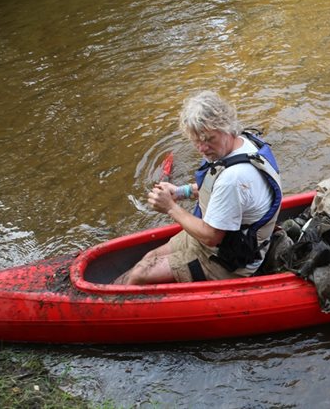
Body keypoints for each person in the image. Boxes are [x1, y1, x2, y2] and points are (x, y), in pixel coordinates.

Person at [114, 91, 282, 285]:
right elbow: (215, 189)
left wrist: (170, 207)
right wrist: (180, 192)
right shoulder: (245, 143)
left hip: (227, 261)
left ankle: (107, 306)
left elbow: (211, 237)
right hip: (220, 241)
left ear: (228, 128)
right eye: (196, 141)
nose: (202, 148)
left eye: (209, 139)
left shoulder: (234, 179)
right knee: (149, 257)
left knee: (139, 274)